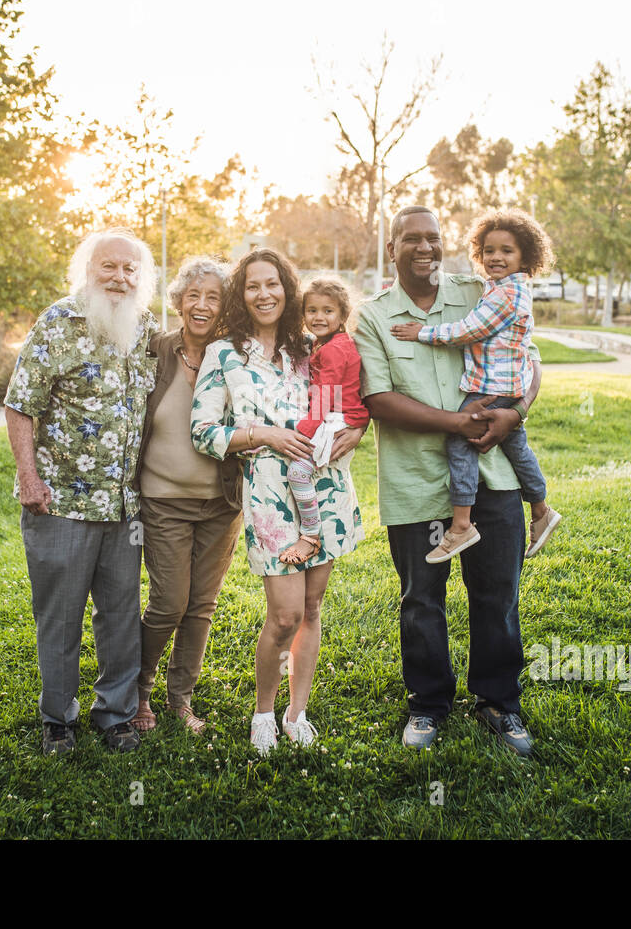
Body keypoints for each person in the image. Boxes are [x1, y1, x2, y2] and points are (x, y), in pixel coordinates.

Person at [352, 206, 540, 757]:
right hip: (416, 482)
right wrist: (458, 423)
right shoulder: (374, 315)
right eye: (411, 239)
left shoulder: (481, 291)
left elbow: (528, 360)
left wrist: (516, 414)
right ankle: (429, 705)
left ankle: (498, 703)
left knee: (498, 594)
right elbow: (379, 399)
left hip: (492, 475)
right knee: (421, 601)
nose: (424, 248)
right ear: (393, 249)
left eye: (433, 238)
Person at [190, 248, 365, 755]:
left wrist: (357, 427)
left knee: (311, 607)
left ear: (287, 289)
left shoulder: (308, 345)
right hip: (268, 492)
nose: (264, 294)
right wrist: (262, 432)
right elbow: (203, 431)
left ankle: (297, 713)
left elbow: (350, 395)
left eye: (273, 284)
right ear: (240, 295)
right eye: (252, 286)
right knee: (284, 614)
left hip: (326, 486)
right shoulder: (225, 353)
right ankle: (263, 713)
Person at [4, 227, 158, 756]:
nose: (119, 277)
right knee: (61, 614)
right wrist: (29, 478)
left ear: (141, 278)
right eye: (108, 266)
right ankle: (58, 719)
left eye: (129, 269)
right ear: (88, 271)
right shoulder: (58, 322)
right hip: (61, 500)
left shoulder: (147, 330)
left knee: (120, 614)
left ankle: (115, 715)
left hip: (124, 505)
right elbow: (20, 403)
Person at [390, 208, 561, 563]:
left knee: (459, 439)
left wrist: (420, 332)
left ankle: (462, 524)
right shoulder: (499, 288)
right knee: (517, 446)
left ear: (526, 256)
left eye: (507, 251)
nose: (495, 257)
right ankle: (542, 509)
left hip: (493, 386)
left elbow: (469, 331)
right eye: (488, 250)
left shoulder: (506, 295)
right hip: (507, 384)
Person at [133, 256, 243, 736]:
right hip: (163, 501)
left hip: (221, 503)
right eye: (193, 295)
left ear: (225, 307)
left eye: (213, 297)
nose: (202, 305)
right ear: (178, 301)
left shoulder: (236, 357)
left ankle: (180, 700)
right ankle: (138, 691)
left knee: (201, 605)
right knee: (169, 603)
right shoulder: (154, 351)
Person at [279, 275, 370, 566]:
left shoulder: (332, 351)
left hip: (335, 421)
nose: (318, 317)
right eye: (312, 310)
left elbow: (325, 397)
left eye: (328, 311)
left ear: (343, 314)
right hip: (337, 417)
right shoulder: (332, 343)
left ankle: (309, 536)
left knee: (297, 473)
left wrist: (302, 433)